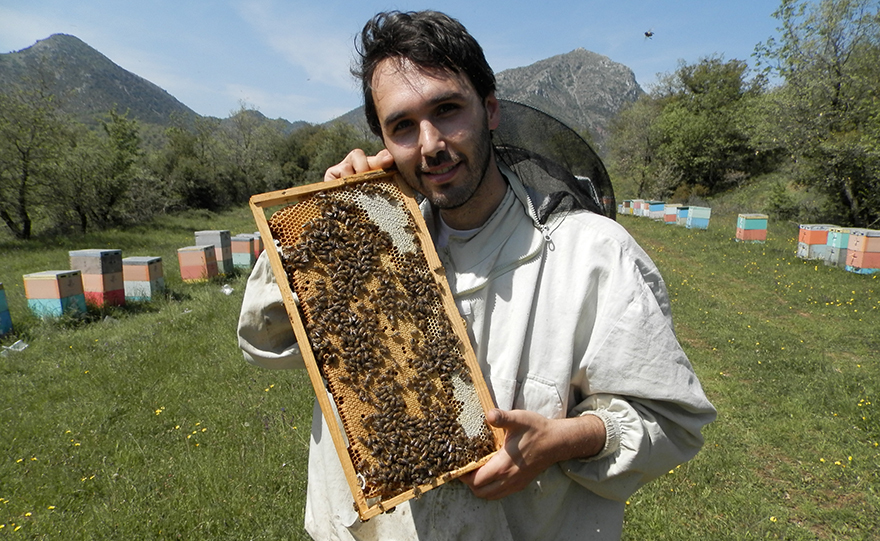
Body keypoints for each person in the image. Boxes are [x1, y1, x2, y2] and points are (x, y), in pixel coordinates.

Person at [238, 10, 716, 540]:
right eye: (402, 126)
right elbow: (264, 342)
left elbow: (671, 420)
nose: (430, 144)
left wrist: (564, 440)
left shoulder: (593, 255)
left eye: (446, 110)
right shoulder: (370, 245)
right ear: (383, 141)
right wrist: (328, 222)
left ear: (489, 110)